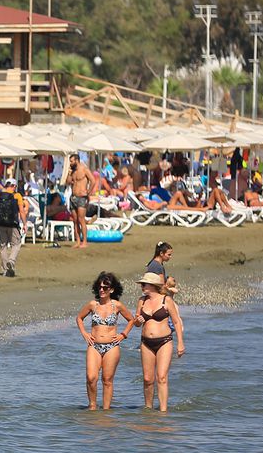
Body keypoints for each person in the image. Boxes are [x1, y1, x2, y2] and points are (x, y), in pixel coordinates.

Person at [75, 272, 136, 410]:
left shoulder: (117, 306)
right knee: (91, 378)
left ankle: (106, 411)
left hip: (112, 346)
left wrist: (123, 334)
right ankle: (92, 407)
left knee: (107, 380)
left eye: (105, 287)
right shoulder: (93, 304)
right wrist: (84, 333)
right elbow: (79, 318)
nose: (101, 290)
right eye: (100, 287)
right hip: (94, 345)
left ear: (112, 290)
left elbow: (131, 320)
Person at [133, 272, 186, 412]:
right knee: (147, 379)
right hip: (146, 343)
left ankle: (163, 411)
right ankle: (148, 409)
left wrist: (180, 343)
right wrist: (137, 321)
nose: (142, 286)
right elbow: (136, 323)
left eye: (145, 284)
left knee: (161, 377)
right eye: (142, 284)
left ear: (154, 285)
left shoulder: (166, 300)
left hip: (164, 342)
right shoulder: (141, 301)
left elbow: (176, 322)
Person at [0, 177, 27, 278]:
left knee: (3, 246)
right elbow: (21, 211)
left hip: (1, 224)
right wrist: (25, 224)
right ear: (14, 186)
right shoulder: (17, 196)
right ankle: (11, 261)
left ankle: (5, 270)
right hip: (13, 224)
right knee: (16, 244)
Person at [67, 153, 96, 248]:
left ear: (77, 160)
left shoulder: (84, 169)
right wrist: (69, 173)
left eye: (71, 161)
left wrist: (88, 192)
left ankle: (85, 242)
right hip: (73, 197)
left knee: (81, 219)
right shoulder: (73, 171)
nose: (70, 163)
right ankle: (78, 241)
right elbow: (68, 182)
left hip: (82, 198)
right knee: (75, 220)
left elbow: (93, 180)